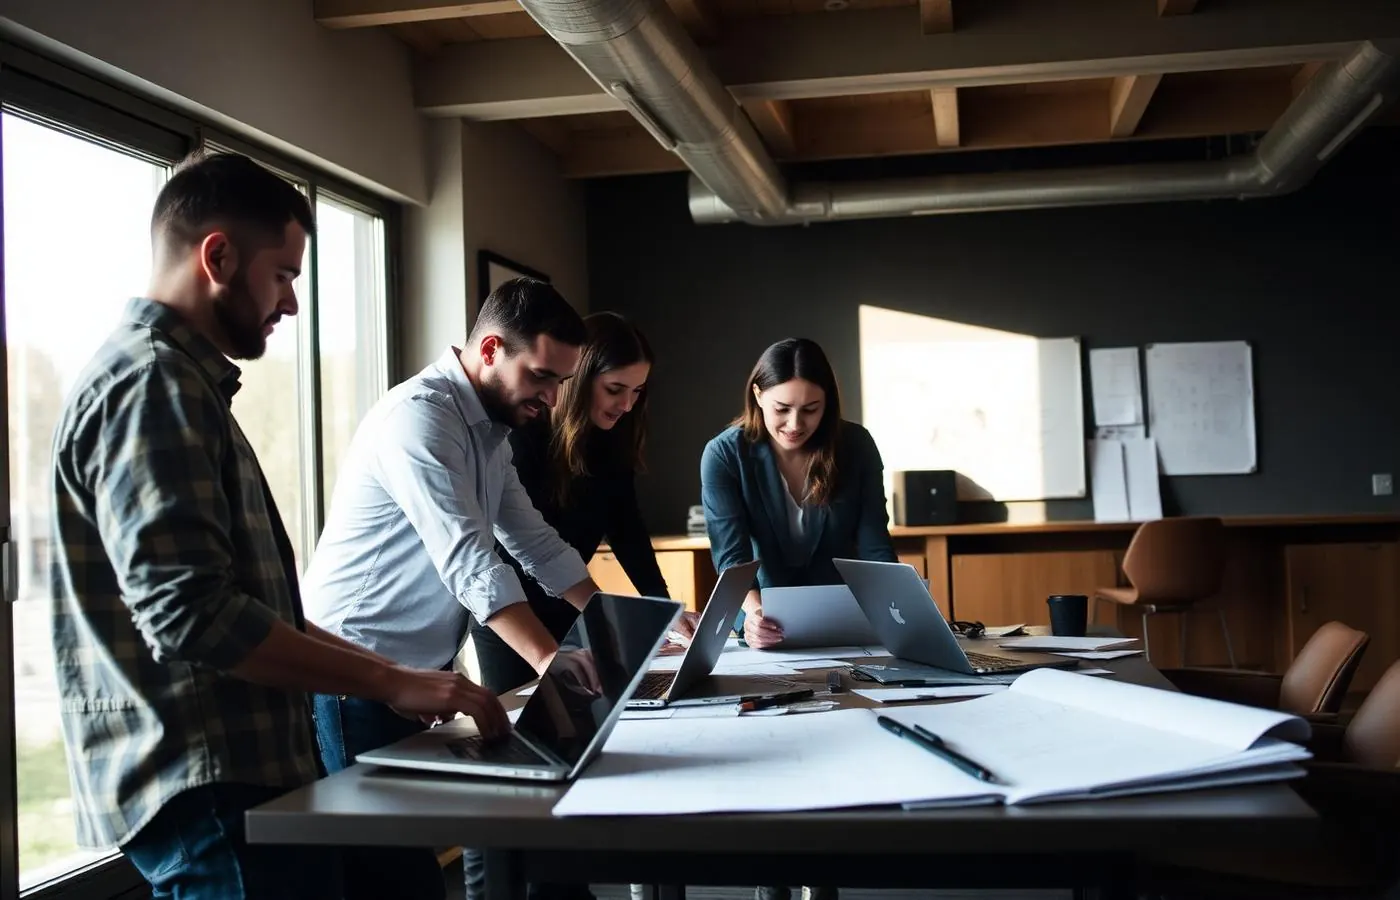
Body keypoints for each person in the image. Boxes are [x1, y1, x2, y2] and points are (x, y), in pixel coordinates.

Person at [48, 151, 508, 900]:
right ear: (218, 256)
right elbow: (193, 617)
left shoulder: (179, 383)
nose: (292, 303)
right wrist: (387, 676)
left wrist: (397, 684)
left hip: (228, 779)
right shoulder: (154, 385)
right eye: (285, 275)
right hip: (207, 783)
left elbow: (251, 610)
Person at [302, 280, 692, 900]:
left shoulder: (489, 430)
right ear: (490, 349)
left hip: (414, 669)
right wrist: (549, 658)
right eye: (541, 376)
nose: (552, 396)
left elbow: (535, 542)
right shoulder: (420, 419)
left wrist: (620, 622)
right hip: (352, 667)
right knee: (393, 879)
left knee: (407, 871)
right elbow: (471, 563)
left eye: (562, 381)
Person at [475, 311, 672, 695]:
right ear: (579, 379)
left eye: (637, 391)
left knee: (584, 711)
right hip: (512, 614)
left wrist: (663, 610)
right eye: (615, 389)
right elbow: (520, 547)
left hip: (573, 600)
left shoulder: (612, 440)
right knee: (524, 727)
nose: (628, 405)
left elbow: (627, 529)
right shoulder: (522, 437)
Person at [700, 337, 898, 652]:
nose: (795, 424)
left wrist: (901, 609)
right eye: (782, 409)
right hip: (764, 621)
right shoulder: (724, 454)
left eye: (810, 409)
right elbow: (732, 559)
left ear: (827, 403)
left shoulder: (856, 446)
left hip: (843, 618)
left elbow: (876, 546)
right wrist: (754, 614)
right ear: (758, 395)